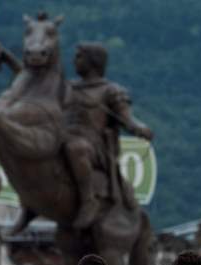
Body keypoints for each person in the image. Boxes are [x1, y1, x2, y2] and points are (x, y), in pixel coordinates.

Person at [63, 42, 154, 230]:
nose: (74, 61)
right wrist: (7, 58)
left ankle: (89, 200)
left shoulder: (110, 91)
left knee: (76, 147)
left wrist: (140, 128)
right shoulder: (68, 87)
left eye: (79, 56)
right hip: (64, 138)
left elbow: (127, 119)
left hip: (93, 147)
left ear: (93, 61)